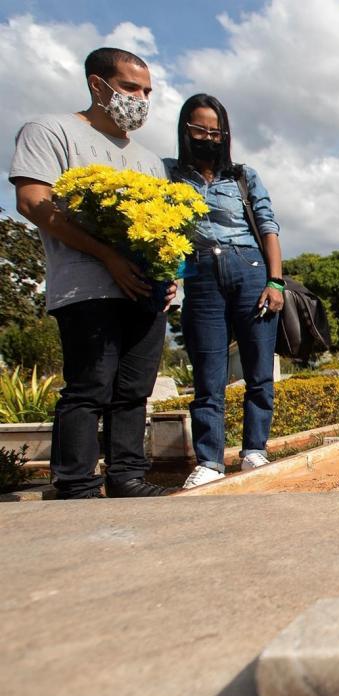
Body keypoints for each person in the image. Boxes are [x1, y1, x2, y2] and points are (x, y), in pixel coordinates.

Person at [9, 47, 176, 498]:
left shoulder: (147, 159)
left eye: (147, 92)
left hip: (144, 291)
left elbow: (164, 227)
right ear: (97, 84)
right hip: (87, 287)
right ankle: (76, 483)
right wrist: (108, 255)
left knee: (133, 389)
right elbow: (32, 202)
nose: (140, 99)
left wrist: (168, 272)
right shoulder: (52, 132)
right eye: (129, 87)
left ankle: (128, 478)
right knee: (89, 386)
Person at [165, 95, 284, 489]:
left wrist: (275, 280)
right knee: (208, 371)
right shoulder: (169, 175)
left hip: (249, 269)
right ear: (186, 130)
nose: (208, 138)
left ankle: (254, 450)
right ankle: (210, 460)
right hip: (200, 274)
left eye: (216, 132)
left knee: (258, 367)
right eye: (200, 130)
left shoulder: (243, 177)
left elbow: (267, 225)